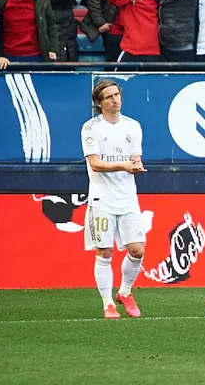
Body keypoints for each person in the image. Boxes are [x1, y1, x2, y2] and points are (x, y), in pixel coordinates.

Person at [81, 79, 147, 320]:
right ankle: (108, 303)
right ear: (99, 103)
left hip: (127, 197)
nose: (115, 100)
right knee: (105, 251)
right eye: (108, 97)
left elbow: (135, 158)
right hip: (102, 199)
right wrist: (124, 165)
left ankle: (125, 292)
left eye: (117, 95)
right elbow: (95, 164)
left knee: (137, 250)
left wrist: (137, 166)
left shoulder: (133, 126)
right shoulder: (90, 128)